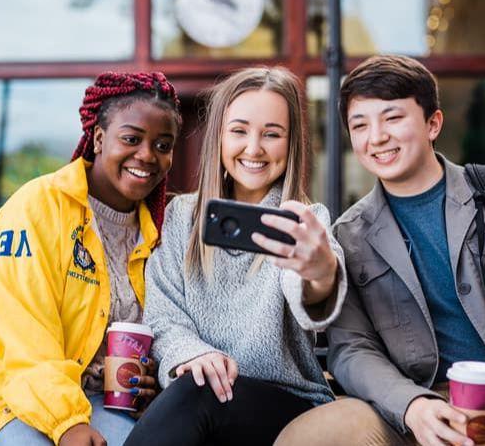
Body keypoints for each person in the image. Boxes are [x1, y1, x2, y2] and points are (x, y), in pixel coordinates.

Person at [274, 55, 485, 446]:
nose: (376, 137)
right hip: (413, 410)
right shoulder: (348, 235)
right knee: (308, 437)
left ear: (433, 124)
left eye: (393, 118)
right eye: (360, 125)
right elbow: (351, 349)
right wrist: (412, 406)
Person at [0, 72, 182, 446]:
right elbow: (26, 335)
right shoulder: (37, 206)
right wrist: (67, 422)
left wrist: (146, 382)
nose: (147, 155)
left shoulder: (157, 232)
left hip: (95, 403)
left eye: (163, 145)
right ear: (99, 137)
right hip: (3, 399)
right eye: (132, 139)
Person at [123, 67, 347, 446]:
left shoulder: (305, 222)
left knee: (199, 392)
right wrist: (193, 355)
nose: (254, 148)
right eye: (239, 131)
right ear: (219, 138)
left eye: (272, 134)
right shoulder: (181, 218)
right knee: (198, 387)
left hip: (288, 405)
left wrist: (321, 272)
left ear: (291, 143)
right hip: (201, 398)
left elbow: (311, 291)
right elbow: (163, 316)